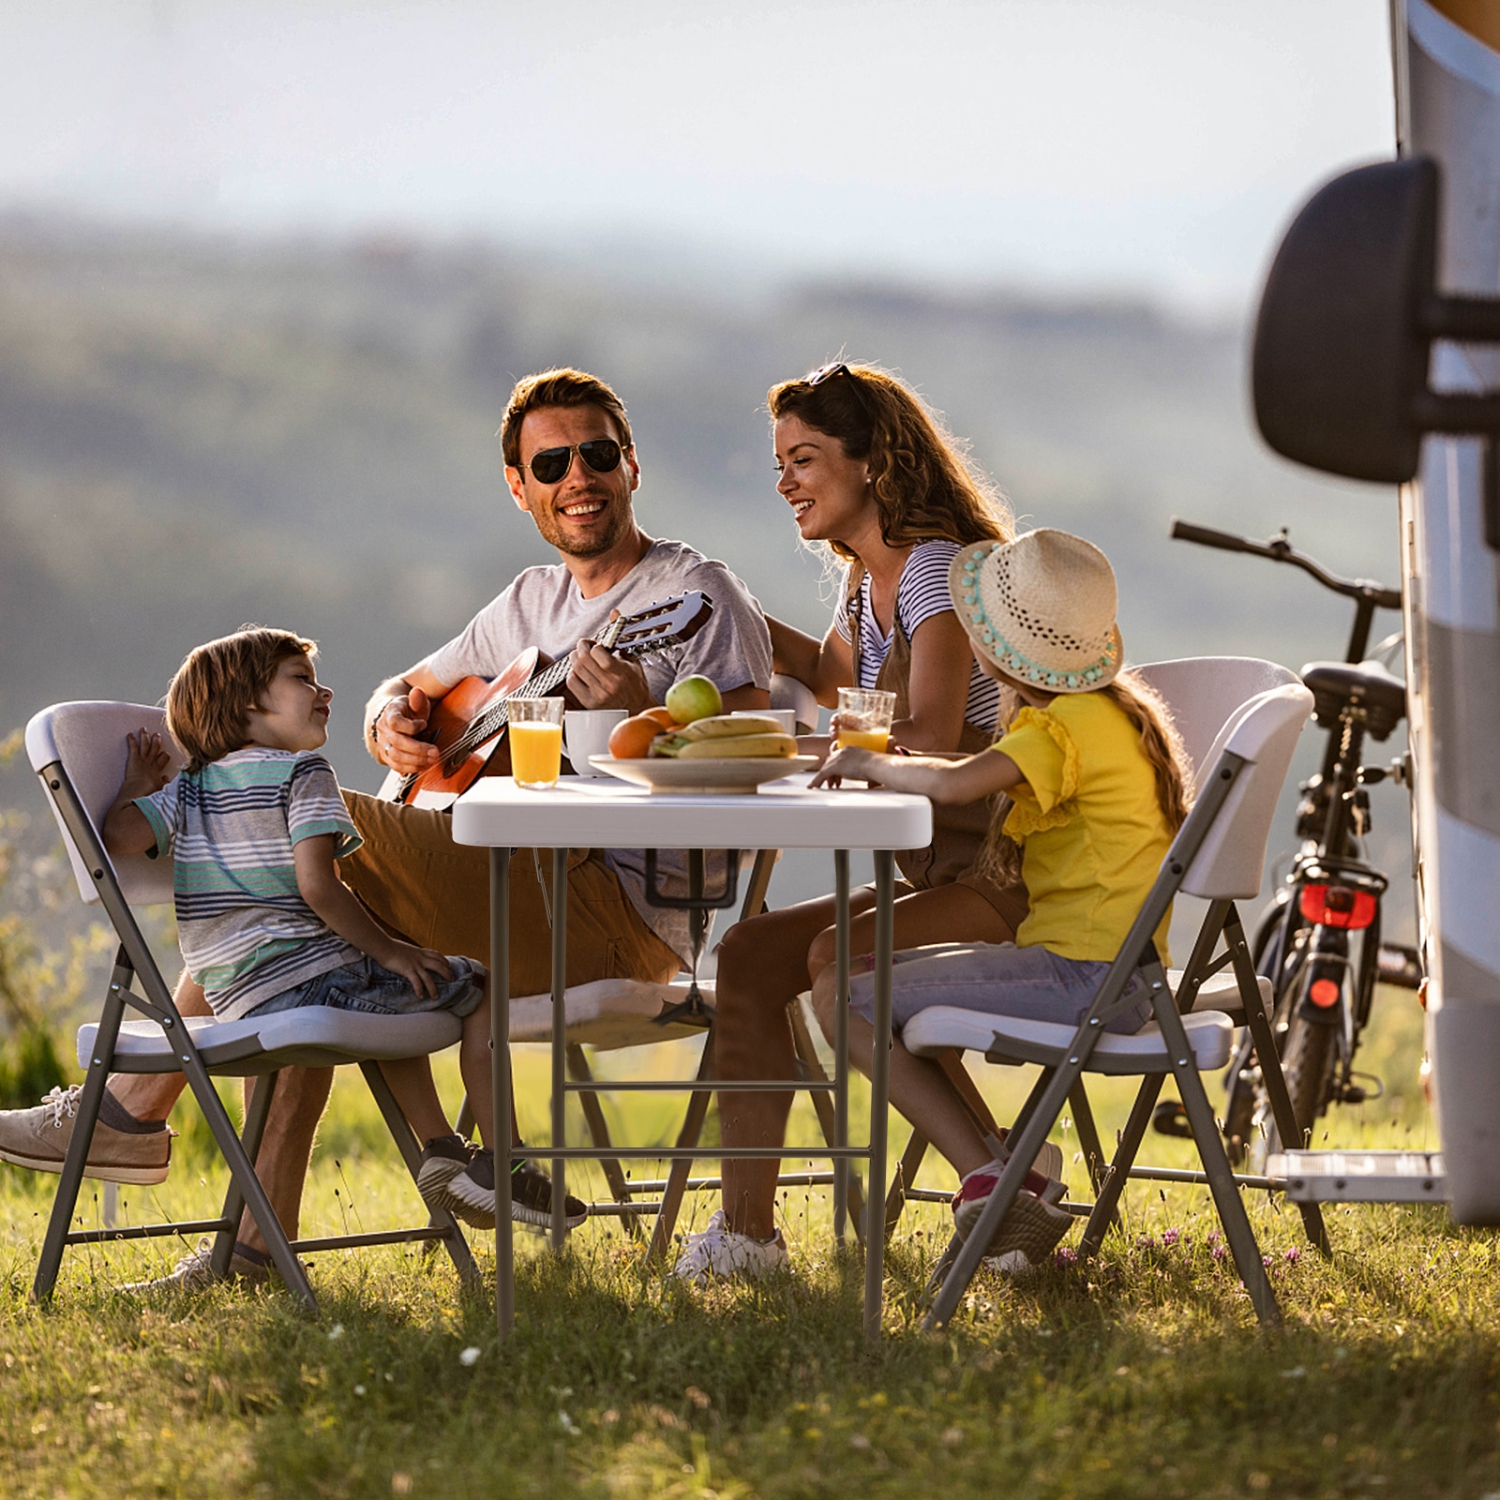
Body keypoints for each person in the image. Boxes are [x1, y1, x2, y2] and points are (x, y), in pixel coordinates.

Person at [0, 367, 772, 1286]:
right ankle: (250, 1250)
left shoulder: (690, 594)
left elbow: (755, 744)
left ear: (632, 465)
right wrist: (388, 727)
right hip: (493, 885)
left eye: (598, 454)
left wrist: (646, 709)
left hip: (613, 920)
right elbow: (400, 693)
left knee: (297, 826)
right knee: (300, 935)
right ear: (520, 487)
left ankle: (126, 1109)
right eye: (552, 461)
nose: (579, 476)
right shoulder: (528, 603)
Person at [674, 361, 1029, 1285]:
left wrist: (832, 736)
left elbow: (929, 734)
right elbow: (838, 684)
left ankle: (999, 1176)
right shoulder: (866, 583)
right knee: (753, 955)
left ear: (871, 463)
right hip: (931, 872)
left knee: (839, 959)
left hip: (1002, 878)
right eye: (780, 461)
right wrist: (730, 612)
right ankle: (747, 1237)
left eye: (805, 458)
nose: (785, 479)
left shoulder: (936, 573)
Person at [806, 529, 1191, 1269]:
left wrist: (866, 758)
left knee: (841, 998)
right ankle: (1009, 1171)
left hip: (1084, 979)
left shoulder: (1057, 730)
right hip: (1125, 978)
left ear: (994, 647)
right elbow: (966, 766)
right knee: (867, 982)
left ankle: (990, 1174)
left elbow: (953, 783)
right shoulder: (1111, 713)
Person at [98, 627, 512, 1283]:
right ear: (246, 707)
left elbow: (117, 834)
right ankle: (495, 1161)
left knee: (394, 991)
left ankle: (442, 1149)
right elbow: (322, 888)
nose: (324, 692)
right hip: (312, 983)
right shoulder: (304, 772)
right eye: (300, 679)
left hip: (240, 999)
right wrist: (394, 950)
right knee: (471, 983)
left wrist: (134, 782)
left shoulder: (190, 789)